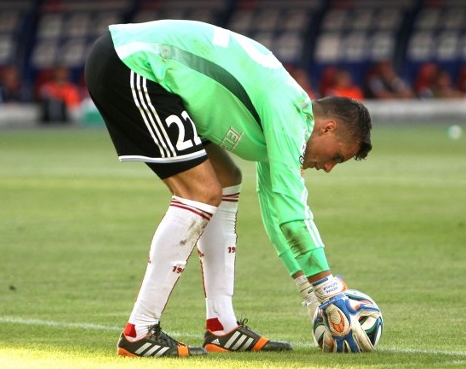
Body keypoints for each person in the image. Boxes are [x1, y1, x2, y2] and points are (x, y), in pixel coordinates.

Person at [84, 19, 378, 357]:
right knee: (201, 192)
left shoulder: (288, 115)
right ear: (328, 128)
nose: (327, 168)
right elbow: (290, 211)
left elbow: (274, 208)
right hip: (134, 64)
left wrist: (308, 288)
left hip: (145, 67)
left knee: (226, 181)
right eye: (337, 157)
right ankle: (140, 331)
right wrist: (325, 287)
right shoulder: (287, 114)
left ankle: (222, 328)